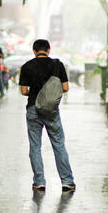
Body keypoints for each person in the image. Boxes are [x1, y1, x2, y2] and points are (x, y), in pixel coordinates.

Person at [19, 39, 75, 192]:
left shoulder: (26, 66)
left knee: (35, 147)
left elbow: (24, 91)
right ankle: (67, 182)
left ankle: (39, 182)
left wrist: (36, 94)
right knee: (59, 145)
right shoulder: (57, 65)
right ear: (48, 50)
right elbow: (65, 87)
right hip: (51, 111)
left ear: (34, 51)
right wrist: (49, 95)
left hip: (32, 109)